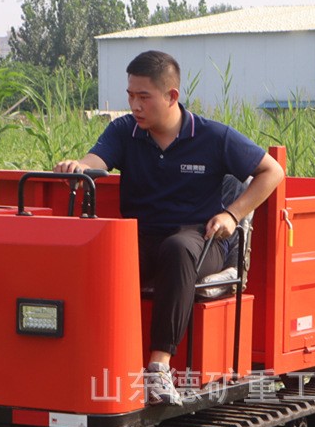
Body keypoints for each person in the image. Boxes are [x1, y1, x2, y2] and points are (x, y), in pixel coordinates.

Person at [55, 50, 284, 405]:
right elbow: (96, 160)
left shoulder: (212, 136)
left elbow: (272, 172)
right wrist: (79, 166)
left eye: (143, 96)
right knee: (102, 253)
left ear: (171, 96)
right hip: (144, 237)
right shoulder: (124, 131)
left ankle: (158, 370)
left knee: (177, 249)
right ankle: (86, 359)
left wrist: (232, 215)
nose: (134, 105)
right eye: (130, 95)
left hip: (200, 241)